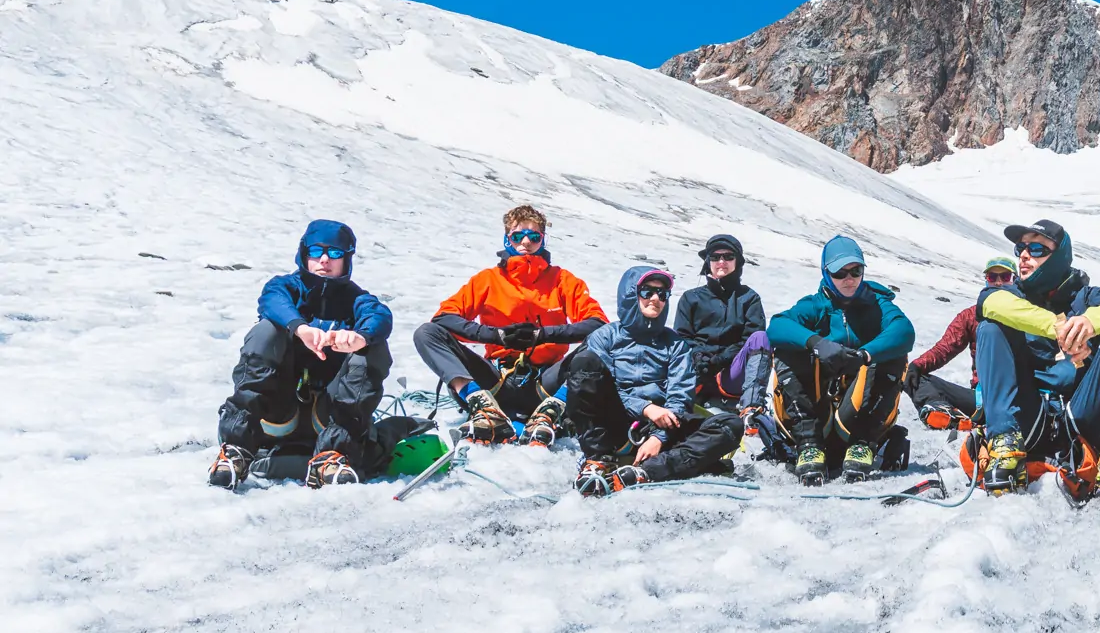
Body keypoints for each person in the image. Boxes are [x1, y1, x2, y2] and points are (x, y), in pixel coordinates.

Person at [974, 219, 1100, 495]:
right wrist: (1059, 329)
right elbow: (990, 303)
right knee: (991, 326)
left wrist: (1092, 322)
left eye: (1036, 248)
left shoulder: (1085, 298)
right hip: (1029, 419)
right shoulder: (1008, 295)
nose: (1024, 255)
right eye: (1021, 248)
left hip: (1081, 416)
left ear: (1059, 257)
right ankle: (1005, 442)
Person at [210, 220, 394, 489]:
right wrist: (300, 328)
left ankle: (332, 456)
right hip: (278, 414)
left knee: (374, 346)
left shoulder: (357, 300)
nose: (324, 259)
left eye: (334, 253)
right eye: (316, 251)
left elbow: (379, 316)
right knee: (265, 331)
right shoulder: (284, 287)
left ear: (346, 259)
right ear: (304, 254)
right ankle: (236, 450)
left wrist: (359, 338)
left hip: (330, 416)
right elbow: (272, 301)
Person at [411, 205, 607, 445]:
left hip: (545, 384)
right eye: (518, 236)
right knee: (427, 333)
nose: (526, 241)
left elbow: (598, 324)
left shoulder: (563, 280)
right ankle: (479, 402)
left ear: (542, 240)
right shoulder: (488, 280)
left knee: (605, 341)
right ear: (507, 238)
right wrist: (496, 336)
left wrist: (543, 335)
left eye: (534, 236)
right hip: (495, 382)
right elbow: (443, 318)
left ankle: (552, 410)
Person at [565, 265, 744, 496]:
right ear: (631, 294)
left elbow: (680, 396)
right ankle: (600, 459)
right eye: (647, 291)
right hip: (613, 423)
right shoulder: (605, 336)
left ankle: (647, 472)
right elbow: (598, 387)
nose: (656, 299)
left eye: (662, 293)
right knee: (584, 363)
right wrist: (646, 408)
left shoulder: (675, 344)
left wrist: (659, 437)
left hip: (660, 429)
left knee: (730, 425)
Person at [766, 236, 914, 484]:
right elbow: (777, 327)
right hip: (816, 415)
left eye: (856, 271)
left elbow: (904, 332)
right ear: (826, 273)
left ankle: (863, 444)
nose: (849, 279)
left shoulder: (878, 305)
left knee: (892, 353)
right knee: (788, 348)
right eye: (840, 272)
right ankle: (809, 444)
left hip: (856, 417)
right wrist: (817, 344)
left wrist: (864, 355)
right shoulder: (815, 305)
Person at [903, 255, 1017, 432]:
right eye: (992, 277)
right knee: (915, 377)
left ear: (1015, 280)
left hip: (1017, 400)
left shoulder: (1029, 315)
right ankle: (943, 413)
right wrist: (916, 366)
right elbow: (945, 348)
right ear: (986, 281)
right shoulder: (971, 316)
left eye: (1005, 277)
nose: (998, 282)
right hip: (981, 399)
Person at [671, 234, 771, 426]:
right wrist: (699, 356)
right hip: (697, 371)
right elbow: (682, 337)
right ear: (708, 262)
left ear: (738, 262)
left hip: (731, 373)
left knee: (761, 338)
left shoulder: (749, 298)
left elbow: (750, 337)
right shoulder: (690, 298)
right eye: (715, 257)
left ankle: (751, 409)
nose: (721, 262)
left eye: (728, 256)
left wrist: (721, 359)